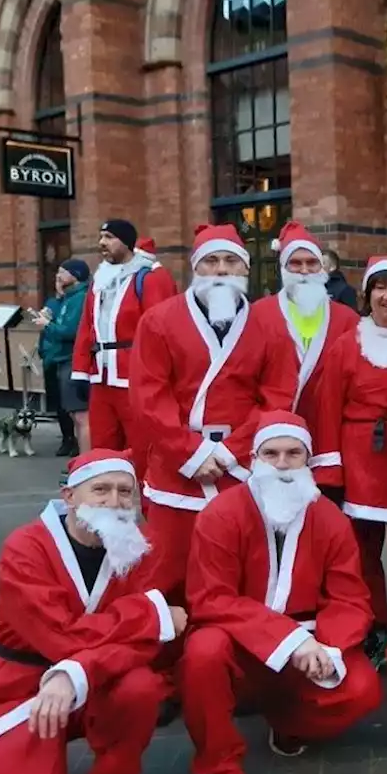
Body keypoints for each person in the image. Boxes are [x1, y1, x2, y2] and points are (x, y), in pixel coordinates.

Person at [0, 450, 183, 774]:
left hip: (90, 681)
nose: (114, 501)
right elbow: (61, 636)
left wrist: (77, 670)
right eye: (100, 490)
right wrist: (150, 613)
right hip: (19, 693)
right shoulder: (24, 548)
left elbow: (145, 647)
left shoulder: (137, 549)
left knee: (140, 686)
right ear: (69, 495)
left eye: (124, 492)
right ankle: (32, 773)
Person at [181, 412, 381, 774]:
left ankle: (290, 720)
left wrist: (328, 647)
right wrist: (289, 641)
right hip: (238, 643)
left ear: (308, 460)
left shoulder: (329, 518)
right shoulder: (221, 514)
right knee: (202, 653)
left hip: (307, 642)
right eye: (271, 453)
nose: (283, 463)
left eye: (294, 454)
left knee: (362, 688)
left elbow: (350, 597)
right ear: (253, 458)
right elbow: (210, 597)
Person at [130, 224, 298, 601]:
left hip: (241, 467)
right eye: (211, 261)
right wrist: (191, 453)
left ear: (245, 270)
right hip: (178, 469)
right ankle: (163, 648)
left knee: (242, 569)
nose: (221, 270)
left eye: (231, 261)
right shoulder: (158, 321)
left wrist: (228, 452)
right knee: (166, 572)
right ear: (195, 268)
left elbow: (278, 398)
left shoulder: (272, 328)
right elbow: (149, 397)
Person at [313, 257, 387, 666]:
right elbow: (327, 408)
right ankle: (374, 624)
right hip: (361, 458)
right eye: (381, 288)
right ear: (367, 295)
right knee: (362, 552)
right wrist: (331, 470)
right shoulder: (347, 345)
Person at [71, 219, 177, 459]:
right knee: (103, 448)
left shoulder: (149, 278)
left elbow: (162, 331)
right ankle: (106, 494)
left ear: (127, 242)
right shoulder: (99, 280)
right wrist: (80, 370)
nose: (102, 243)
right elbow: (86, 328)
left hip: (135, 377)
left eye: (109, 237)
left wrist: (159, 376)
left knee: (142, 448)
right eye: (101, 237)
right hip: (101, 379)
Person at [251, 222, 359, 446]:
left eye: (311, 263)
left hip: (328, 432)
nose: (304, 270)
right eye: (295, 263)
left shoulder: (347, 319)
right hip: (272, 433)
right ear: (283, 268)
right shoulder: (258, 313)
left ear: (322, 268)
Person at [36, 259, 90, 457]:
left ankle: (86, 460)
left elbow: (71, 330)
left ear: (75, 275)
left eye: (62, 272)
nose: (57, 276)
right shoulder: (68, 298)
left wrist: (48, 326)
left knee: (81, 416)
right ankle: (78, 453)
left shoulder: (80, 298)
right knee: (73, 413)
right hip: (60, 360)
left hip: (72, 360)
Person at [318, 246, 359, 311]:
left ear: (332, 267)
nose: (318, 266)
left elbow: (352, 316)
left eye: (323, 263)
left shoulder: (345, 290)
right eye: (316, 263)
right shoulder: (314, 286)